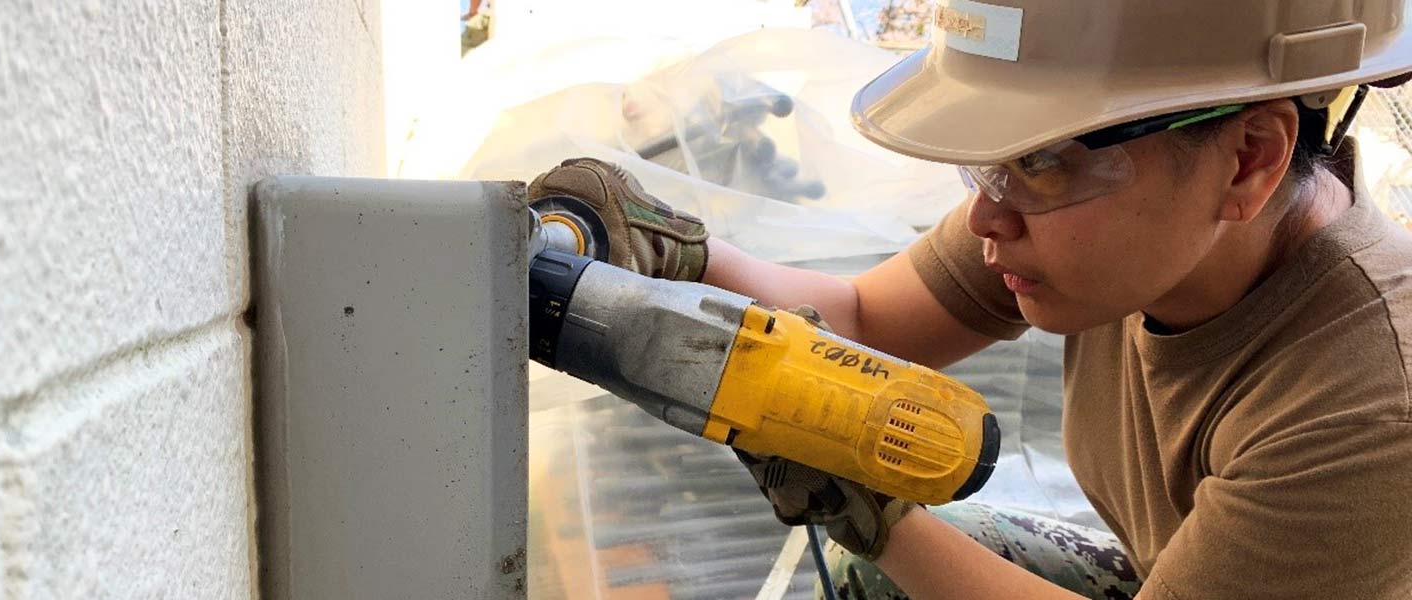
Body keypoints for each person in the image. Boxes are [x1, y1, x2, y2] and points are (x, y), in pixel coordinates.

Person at [528, 2, 1412, 598]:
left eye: (1039, 161)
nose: (987, 214)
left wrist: (871, 517)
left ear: (1250, 159)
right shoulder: (1118, 236)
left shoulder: (1368, 405)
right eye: (990, 162)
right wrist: (684, 252)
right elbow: (868, 319)